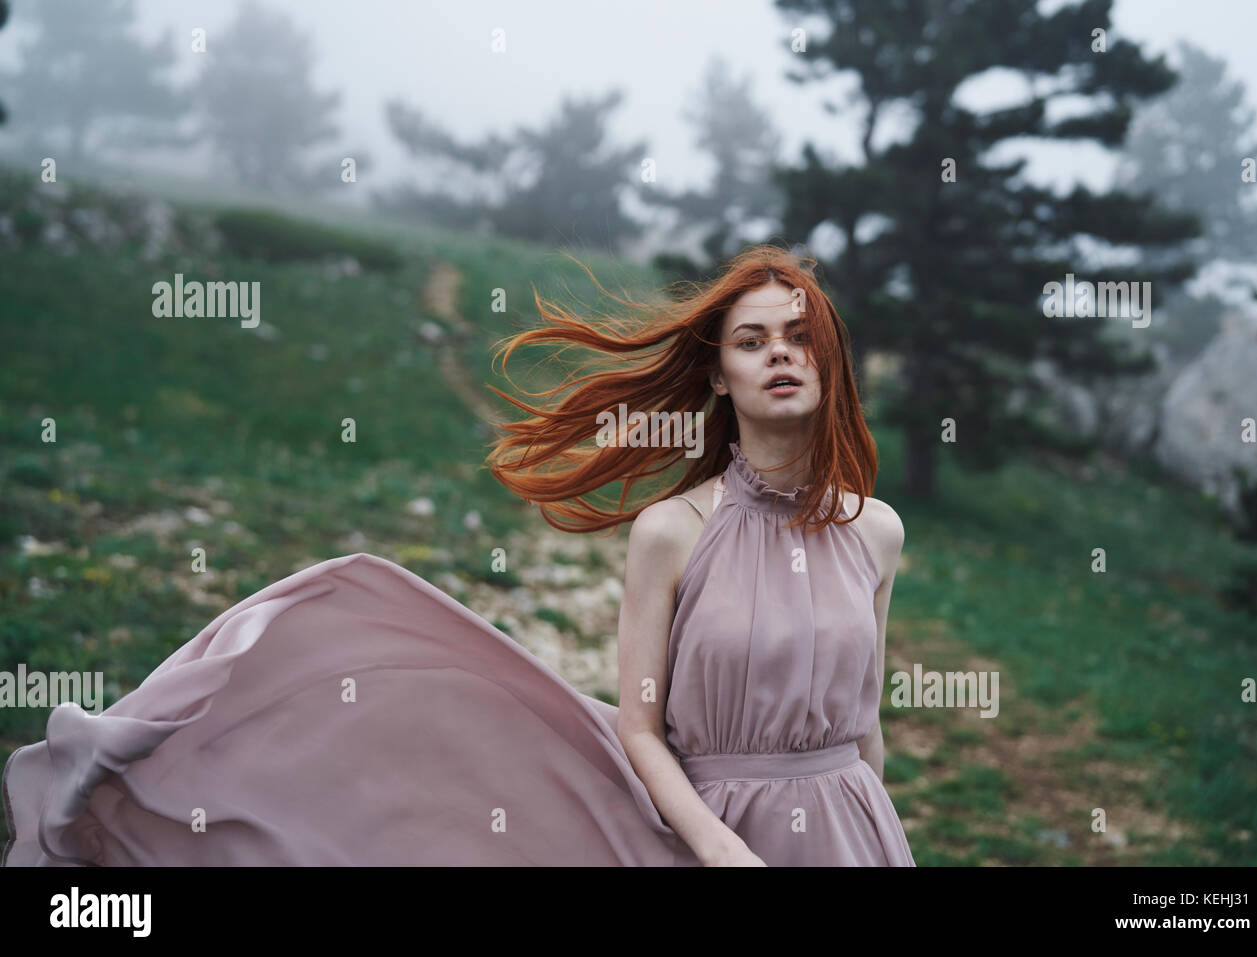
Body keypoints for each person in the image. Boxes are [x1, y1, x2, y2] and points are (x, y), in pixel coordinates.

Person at [2, 245, 914, 866]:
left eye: (800, 339)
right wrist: (715, 847)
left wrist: (878, 833)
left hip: (854, 833)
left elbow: (866, 729)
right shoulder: (673, 531)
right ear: (718, 376)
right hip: (717, 836)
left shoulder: (877, 531)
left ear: (830, 363)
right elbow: (640, 728)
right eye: (752, 342)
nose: (779, 356)